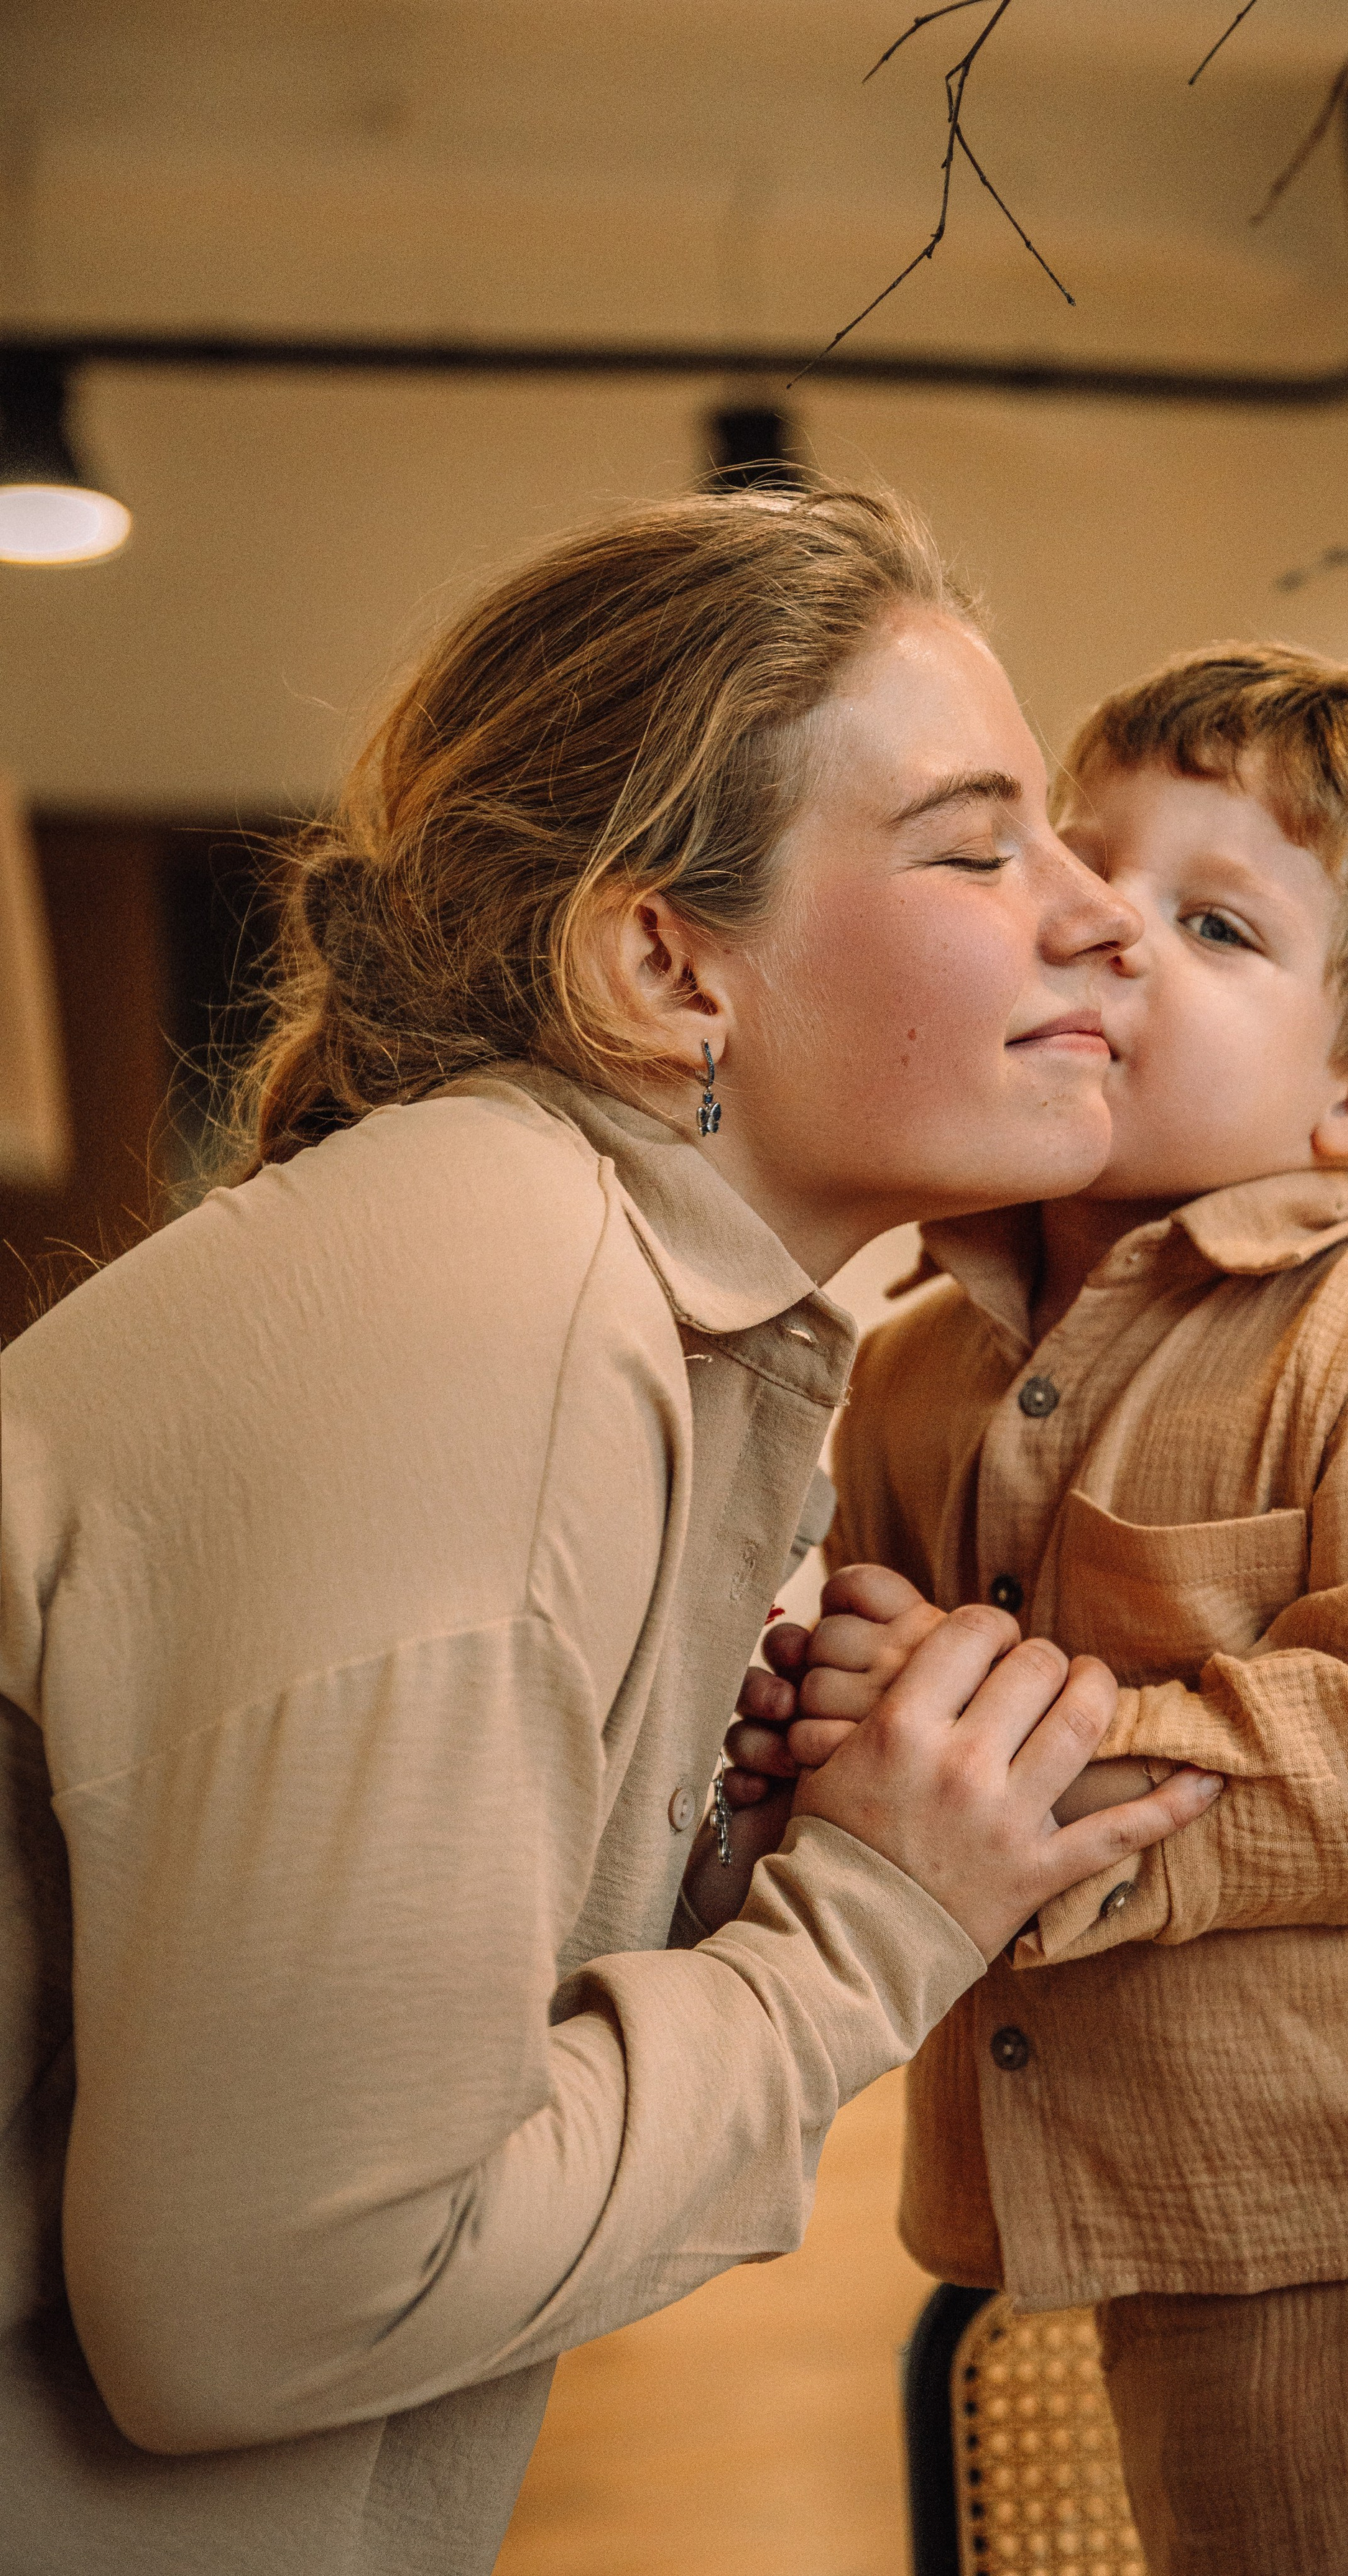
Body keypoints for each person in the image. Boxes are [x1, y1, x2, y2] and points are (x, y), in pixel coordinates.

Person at [0, 489, 1224, 2576]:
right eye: (974, 840)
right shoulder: (494, 1289)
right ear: (668, 962)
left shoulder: (590, 1293)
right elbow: (275, 2306)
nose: (1098, 911)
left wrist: (728, 1854)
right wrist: (873, 1921)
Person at [734, 643, 1348, 2575]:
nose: (1108, 934)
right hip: (1175, 2192)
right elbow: (890, 1775)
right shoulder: (907, 1373)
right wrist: (844, 1737)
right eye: (1083, 873)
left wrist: (985, 1726)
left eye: (1212, 921)